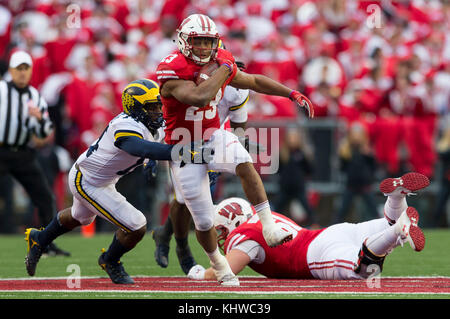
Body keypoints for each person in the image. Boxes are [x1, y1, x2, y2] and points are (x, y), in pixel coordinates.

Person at [155, 13, 314, 286]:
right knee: (203, 220)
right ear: (184, 41)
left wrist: (290, 93)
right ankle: (218, 264)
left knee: (243, 160)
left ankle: (269, 226)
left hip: (213, 134)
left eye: (208, 42)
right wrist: (225, 71)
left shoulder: (222, 64)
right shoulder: (172, 68)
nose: (204, 48)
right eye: (198, 42)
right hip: (182, 146)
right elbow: (199, 96)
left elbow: (252, 82)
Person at [24, 79, 212, 284]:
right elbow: (141, 148)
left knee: (81, 217)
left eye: (159, 106)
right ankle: (110, 260)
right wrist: (184, 153)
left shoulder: (149, 123)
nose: (158, 111)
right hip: (87, 180)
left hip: (101, 178)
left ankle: (39, 239)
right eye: (152, 107)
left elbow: (152, 144)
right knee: (136, 224)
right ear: (136, 108)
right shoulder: (124, 126)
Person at [187, 172, 429, 280]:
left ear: (232, 222)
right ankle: (396, 198)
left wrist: (201, 274)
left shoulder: (243, 235)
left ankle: (400, 229)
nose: (220, 236)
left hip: (316, 254)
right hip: (331, 233)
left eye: (221, 229)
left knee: (363, 270)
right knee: (387, 222)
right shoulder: (263, 219)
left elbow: (226, 271)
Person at [152, 55, 251, 275]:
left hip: (215, 139)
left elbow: (238, 124)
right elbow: (168, 114)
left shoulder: (237, 87)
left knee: (199, 198)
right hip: (184, 139)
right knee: (184, 196)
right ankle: (181, 245)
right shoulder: (188, 79)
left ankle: (166, 235)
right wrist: (154, 147)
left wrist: (240, 146)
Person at [0, 50, 69, 255]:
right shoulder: (2, 90)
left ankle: (46, 243)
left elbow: (45, 131)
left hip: (23, 153)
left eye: (25, 69)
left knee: (45, 197)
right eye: (18, 69)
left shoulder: (35, 95)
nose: (22, 73)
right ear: (11, 71)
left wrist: (39, 119)